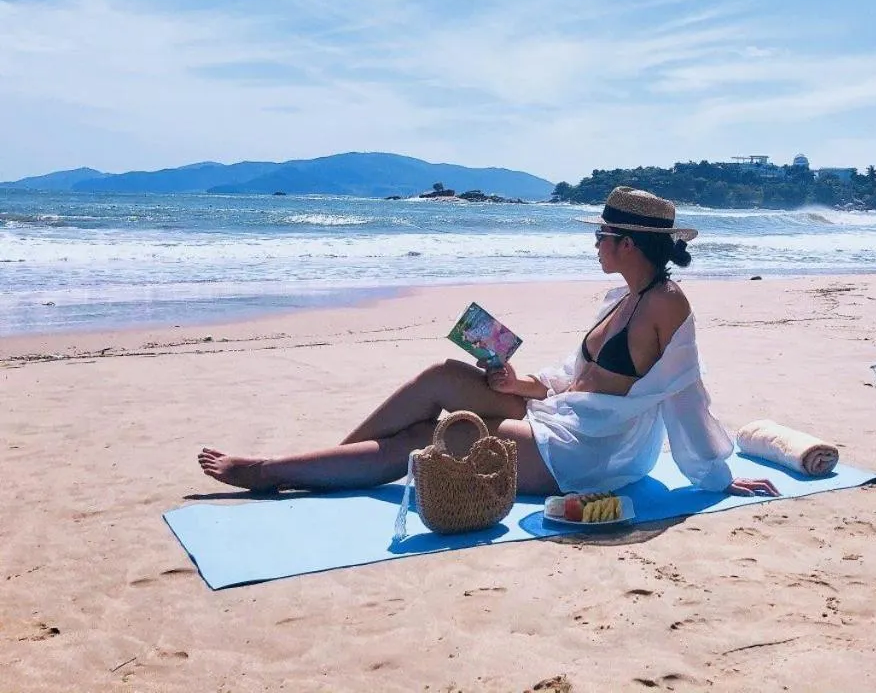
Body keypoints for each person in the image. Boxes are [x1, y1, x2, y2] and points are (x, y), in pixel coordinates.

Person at [198, 186, 780, 499]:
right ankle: (330, 464)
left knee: (433, 435)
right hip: (566, 414)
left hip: (591, 453)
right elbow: (576, 378)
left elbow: (685, 394)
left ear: (628, 242)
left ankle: (279, 471)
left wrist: (718, 476)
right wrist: (516, 383)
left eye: (602, 235)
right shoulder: (621, 297)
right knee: (442, 377)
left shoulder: (666, 304)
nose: (595, 244)